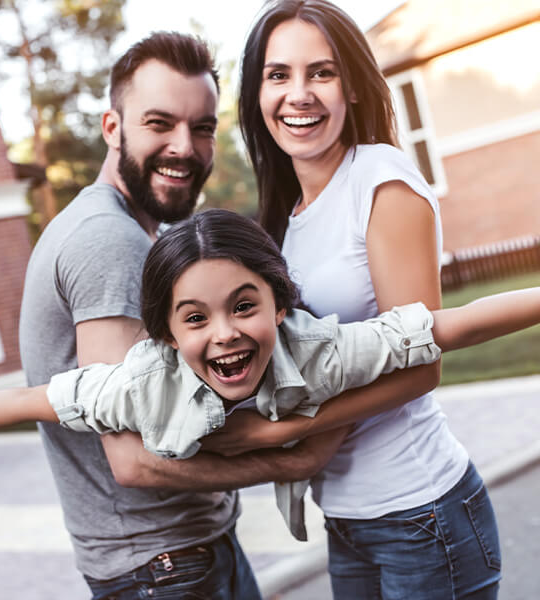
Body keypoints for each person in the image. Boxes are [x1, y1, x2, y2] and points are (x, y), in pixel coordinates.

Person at [0, 209, 539, 542]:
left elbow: (446, 327)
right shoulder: (139, 386)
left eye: (244, 306)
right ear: (167, 336)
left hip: (428, 509)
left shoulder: (319, 354)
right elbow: (32, 399)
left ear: (279, 304)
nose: (224, 332)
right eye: (196, 318)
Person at [14, 32, 348, 600]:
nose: (184, 147)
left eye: (201, 128)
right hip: (162, 567)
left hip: (177, 555)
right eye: (159, 123)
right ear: (113, 129)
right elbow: (135, 460)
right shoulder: (109, 242)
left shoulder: (149, 233)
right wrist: (289, 461)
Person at [232, 0, 505, 597]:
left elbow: (420, 363)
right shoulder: (286, 220)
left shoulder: (379, 180)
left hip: (421, 513)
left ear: (352, 87)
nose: (298, 94)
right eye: (278, 75)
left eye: (321, 73)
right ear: (256, 93)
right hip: (349, 518)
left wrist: (283, 443)